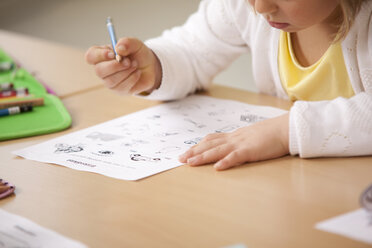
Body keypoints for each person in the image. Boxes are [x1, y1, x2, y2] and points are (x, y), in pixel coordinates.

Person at [85, 0, 372, 171]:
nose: (261, 7)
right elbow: (192, 48)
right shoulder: (244, 5)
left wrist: (286, 132)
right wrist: (155, 68)